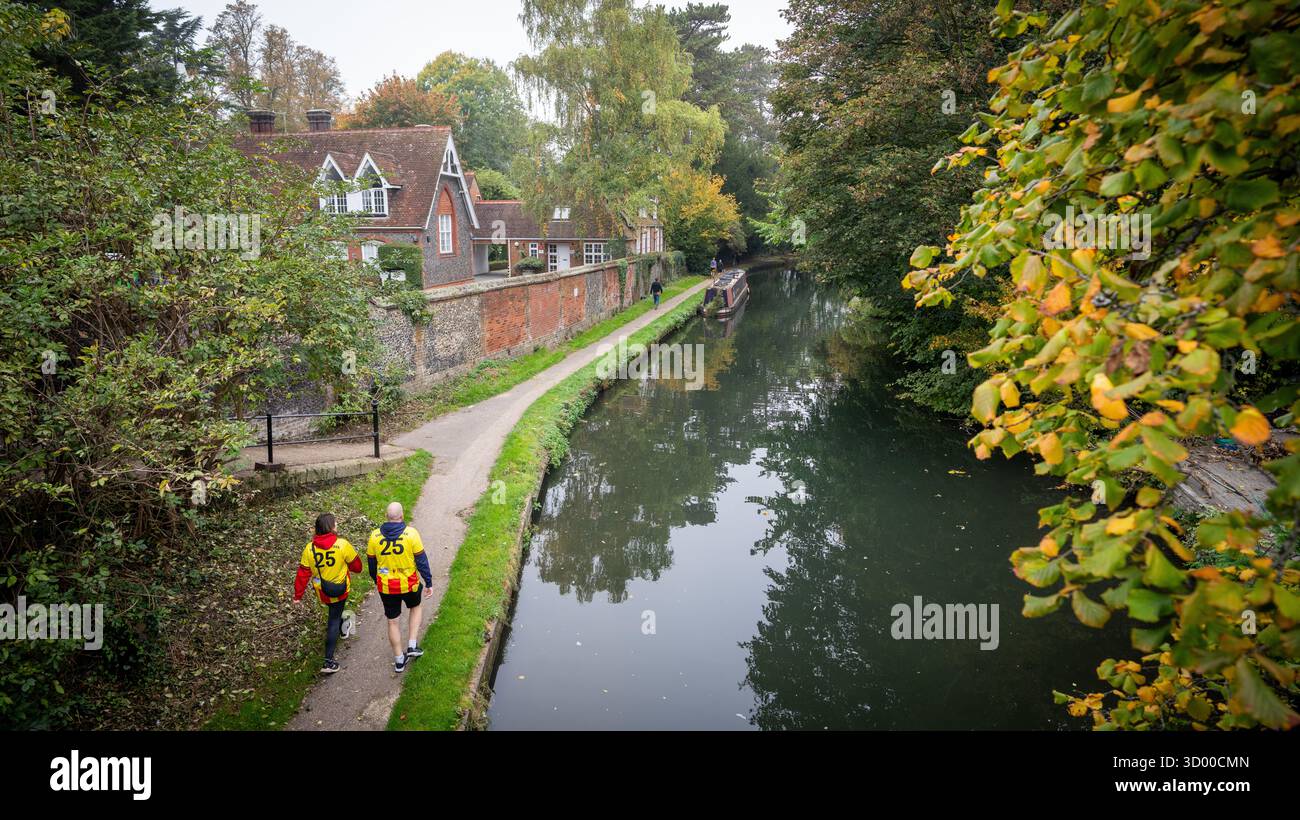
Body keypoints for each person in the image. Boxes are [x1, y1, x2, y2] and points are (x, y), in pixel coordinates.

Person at [367, 502, 433, 673]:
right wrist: (428, 582)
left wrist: (378, 581)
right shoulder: (411, 534)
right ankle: (412, 645)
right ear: (402, 516)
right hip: (409, 584)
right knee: (415, 607)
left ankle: (398, 660)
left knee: (392, 621)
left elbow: (372, 565)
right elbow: (421, 561)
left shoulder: (374, 537)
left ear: (386, 516)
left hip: (387, 587)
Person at [293, 513, 362, 674]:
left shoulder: (309, 548)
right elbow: (357, 567)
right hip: (340, 589)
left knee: (334, 612)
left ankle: (344, 627)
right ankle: (328, 661)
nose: (337, 525)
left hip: (322, 592)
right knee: (333, 619)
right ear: (331, 527)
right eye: (335, 523)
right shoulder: (342, 544)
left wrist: (298, 595)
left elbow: (303, 573)